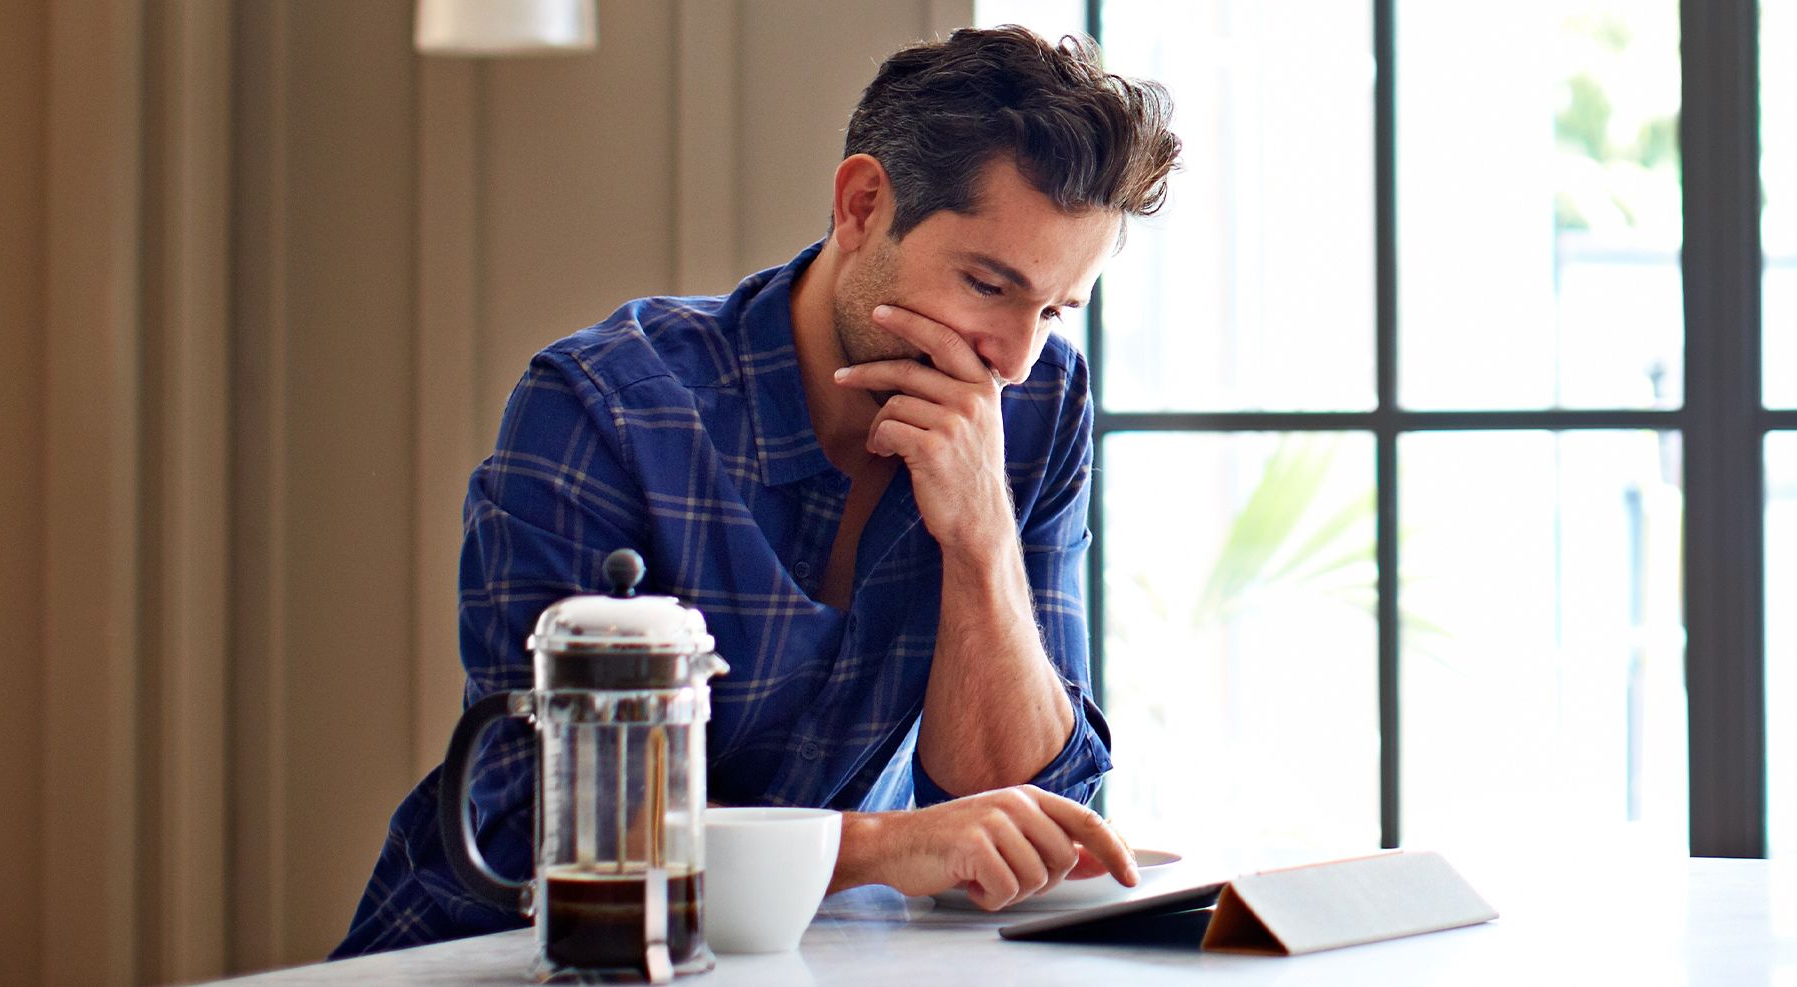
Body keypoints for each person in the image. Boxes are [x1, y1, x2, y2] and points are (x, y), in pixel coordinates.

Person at [334, 25, 1181, 957]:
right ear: (862, 206)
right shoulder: (606, 408)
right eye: (987, 285)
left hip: (793, 961)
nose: (1014, 359)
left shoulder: (1040, 405)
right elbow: (531, 822)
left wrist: (980, 539)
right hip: (497, 955)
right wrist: (874, 847)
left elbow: (1033, 820)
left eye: (1056, 309)